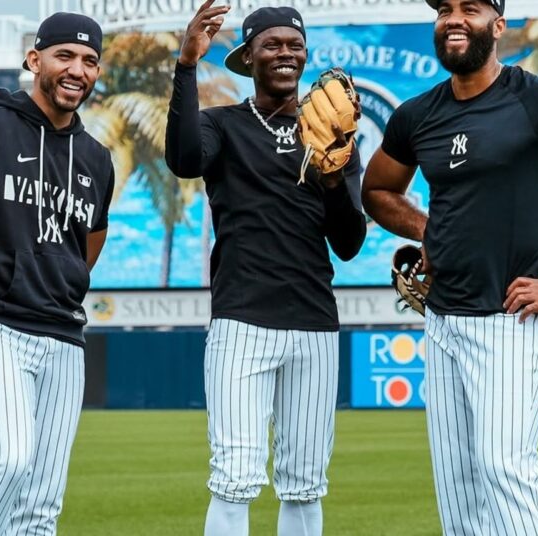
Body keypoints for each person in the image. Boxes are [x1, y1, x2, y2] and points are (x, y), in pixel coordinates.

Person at [362, 0, 538, 534]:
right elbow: (377, 190)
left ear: (498, 24)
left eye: (471, 8)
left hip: (511, 321)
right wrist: (429, 232)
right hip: (443, 323)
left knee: (505, 470)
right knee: (459, 489)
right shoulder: (417, 115)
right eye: (444, 9)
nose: (454, 19)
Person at [166, 2, 367, 535]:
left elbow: (348, 244)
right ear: (248, 55)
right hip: (241, 323)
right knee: (234, 477)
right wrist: (186, 67)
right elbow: (185, 160)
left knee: (305, 481)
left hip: (313, 325)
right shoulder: (223, 125)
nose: (285, 53)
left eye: (294, 45)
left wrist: (333, 177)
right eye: (272, 45)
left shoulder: (334, 131)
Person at [0, 12, 115, 535]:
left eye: (90, 60)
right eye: (65, 56)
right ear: (35, 60)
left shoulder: (97, 160)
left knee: (42, 503)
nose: (78, 69)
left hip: (63, 335)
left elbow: (85, 252)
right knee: (8, 461)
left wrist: (56, 281)